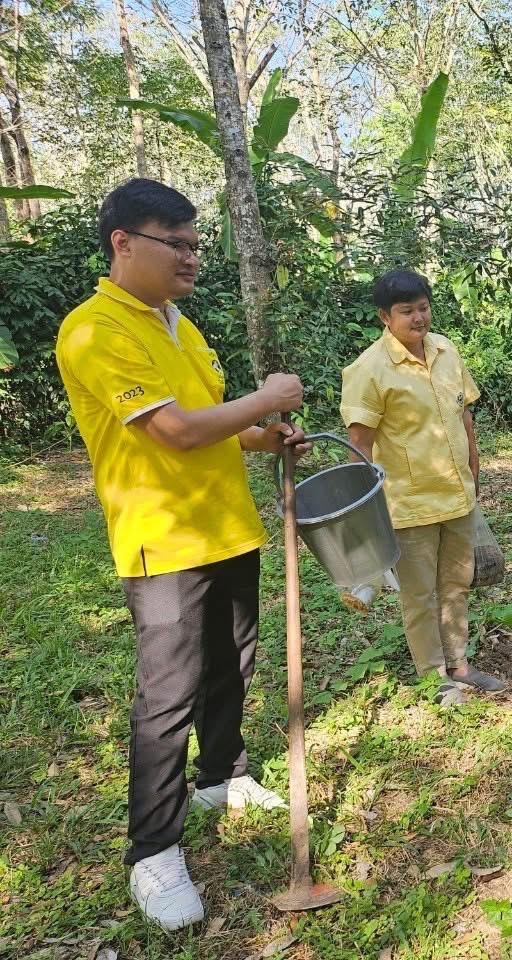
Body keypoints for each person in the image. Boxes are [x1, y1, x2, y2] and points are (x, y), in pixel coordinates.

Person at [55, 179, 309, 931]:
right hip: (161, 539)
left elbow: (214, 424)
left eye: (198, 244)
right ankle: (153, 851)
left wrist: (265, 435)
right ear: (123, 243)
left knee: (233, 661)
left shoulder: (180, 326)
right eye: (179, 243)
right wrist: (266, 399)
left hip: (227, 525)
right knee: (167, 696)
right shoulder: (95, 330)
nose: (193, 258)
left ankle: (222, 775)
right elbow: (171, 432)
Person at [341, 269, 505, 706]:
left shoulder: (446, 350)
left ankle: (460, 665)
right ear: (384, 316)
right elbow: (359, 445)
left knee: (457, 585)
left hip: (457, 495)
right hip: (408, 502)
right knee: (419, 594)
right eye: (407, 311)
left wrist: (474, 472)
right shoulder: (369, 370)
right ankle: (435, 677)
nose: (419, 318)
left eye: (423, 307)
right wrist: (363, 512)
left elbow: (463, 417)